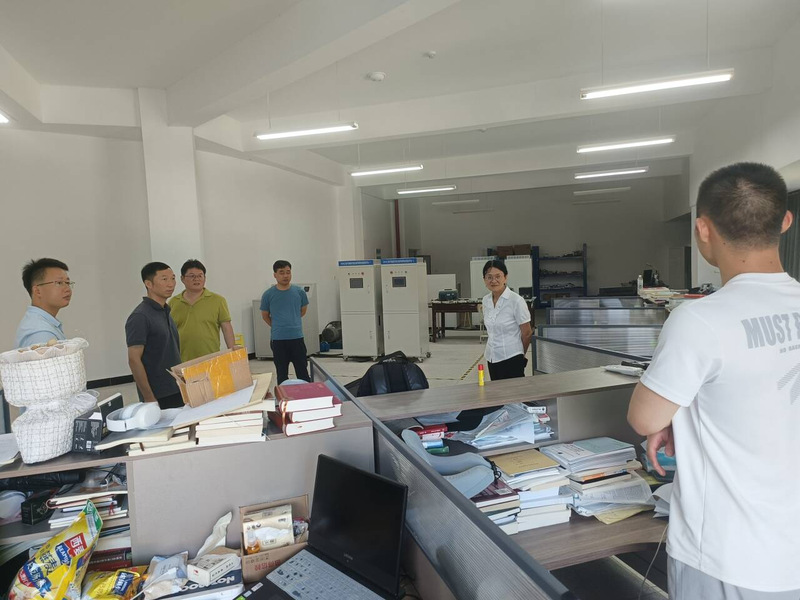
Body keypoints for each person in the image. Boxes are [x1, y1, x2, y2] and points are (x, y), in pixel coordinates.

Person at [627, 162, 800, 599]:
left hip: (728, 555)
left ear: (703, 229)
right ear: (785, 221)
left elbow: (644, 419)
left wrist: (671, 416)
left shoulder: (700, 320)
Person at [125, 262, 183, 409]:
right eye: (164, 279)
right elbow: (134, 360)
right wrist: (149, 397)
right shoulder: (140, 316)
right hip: (159, 394)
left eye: (173, 278)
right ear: (148, 284)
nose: (171, 284)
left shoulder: (165, 311)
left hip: (176, 387)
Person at [168, 259, 235, 362]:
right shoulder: (174, 302)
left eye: (200, 276)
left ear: (205, 278)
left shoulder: (218, 300)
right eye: (192, 276)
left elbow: (226, 328)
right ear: (182, 278)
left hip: (210, 358)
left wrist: (233, 353)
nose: (196, 279)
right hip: (182, 360)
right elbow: (169, 332)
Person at [481, 259, 532, 380]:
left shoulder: (516, 301)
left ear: (505, 277)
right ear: (484, 280)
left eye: (498, 276)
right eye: (489, 277)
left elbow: (527, 333)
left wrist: (521, 355)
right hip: (492, 357)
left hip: (512, 357)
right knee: (496, 390)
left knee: (514, 391)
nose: (494, 281)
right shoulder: (485, 301)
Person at [260, 260, 309, 384]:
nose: (285, 276)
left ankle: (306, 394)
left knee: (302, 372)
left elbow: (302, 311)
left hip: (297, 338)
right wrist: (278, 325)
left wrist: (292, 321)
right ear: (275, 275)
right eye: (281, 273)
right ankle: (283, 395)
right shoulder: (268, 294)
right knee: (281, 373)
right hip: (278, 339)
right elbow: (265, 315)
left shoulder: (299, 292)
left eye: (288, 272)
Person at [15, 258, 74, 348]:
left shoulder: (41, 322)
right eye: (59, 283)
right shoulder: (41, 333)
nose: (67, 289)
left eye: (67, 283)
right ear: (37, 291)